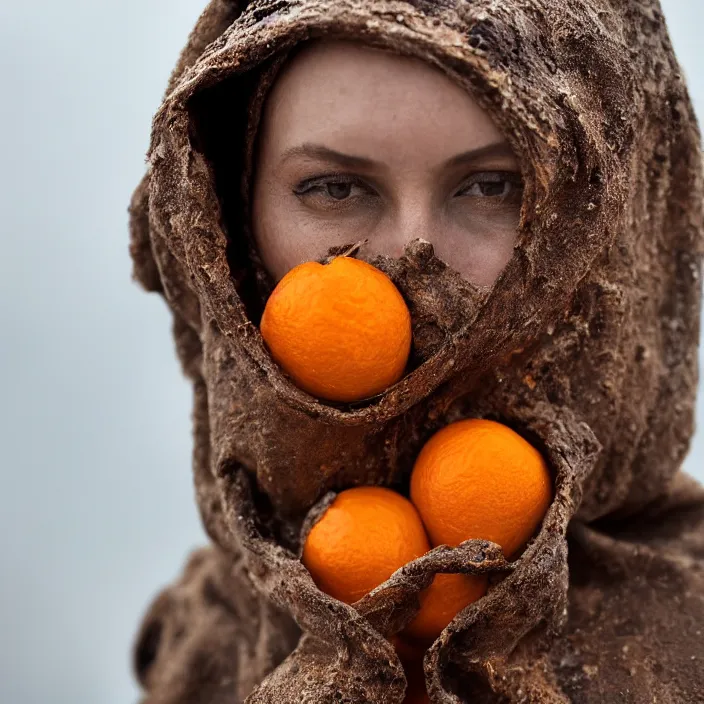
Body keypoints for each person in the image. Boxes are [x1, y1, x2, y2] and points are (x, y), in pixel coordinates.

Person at [129, 1, 704, 702]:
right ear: (227, 230)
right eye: (335, 188)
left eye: (491, 186)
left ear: (603, 224)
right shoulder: (194, 648)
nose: (408, 257)